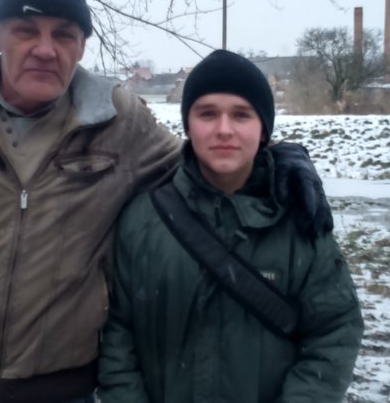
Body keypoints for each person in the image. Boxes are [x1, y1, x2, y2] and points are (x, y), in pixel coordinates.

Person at [0, 0, 333, 403]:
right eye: (26, 30)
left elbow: (200, 168)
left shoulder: (118, 120)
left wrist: (276, 162)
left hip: (65, 390)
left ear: (81, 46)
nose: (45, 49)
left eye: (64, 34)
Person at [98, 50, 363, 402]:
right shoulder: (143, 220)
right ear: (188, 125)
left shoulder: (299, 220)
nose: (224, 129)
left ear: (263, 128)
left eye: (241, 114)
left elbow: (334, 332)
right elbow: (117, 337)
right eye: (207, 113)